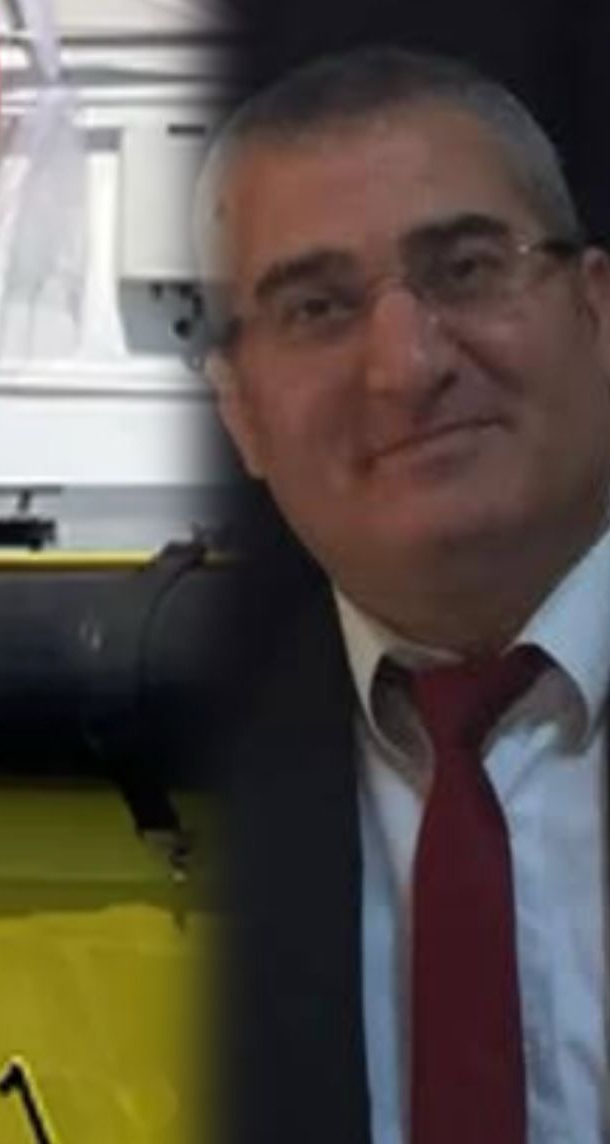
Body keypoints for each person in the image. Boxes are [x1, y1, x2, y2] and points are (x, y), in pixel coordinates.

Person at [197, 46, 610, 1144]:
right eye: (318, 308)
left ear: (597, 311)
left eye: (466, 269)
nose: (407, 365)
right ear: (239, 412)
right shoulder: (161, 782)